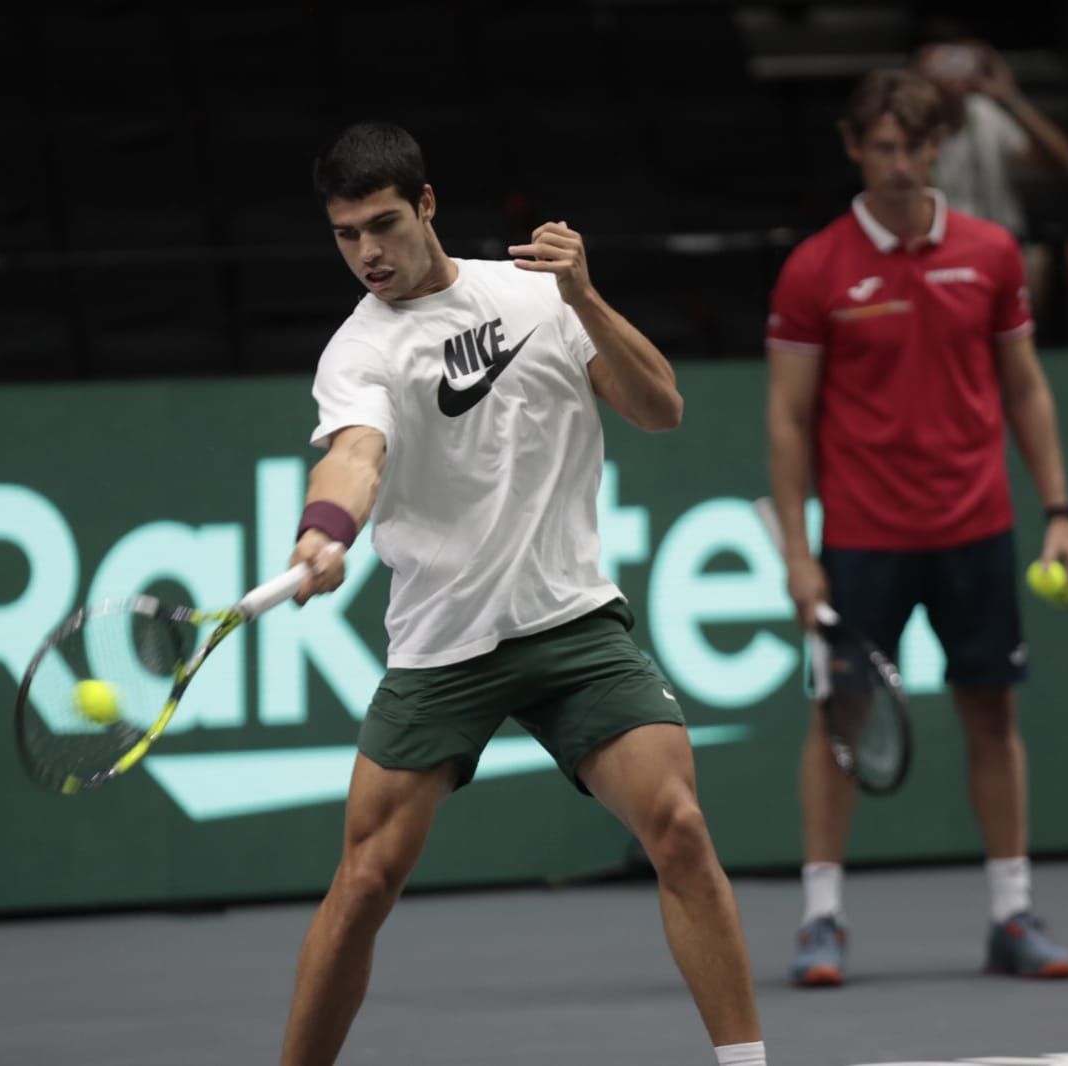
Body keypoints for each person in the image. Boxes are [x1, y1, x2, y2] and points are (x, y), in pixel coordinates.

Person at [279, 122, 767, 1066]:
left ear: (426, 205)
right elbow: (354, 456)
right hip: (443, 645)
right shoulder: (359, 351)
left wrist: (580, 294)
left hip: (568, 624)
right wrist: (324, 532)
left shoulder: (537, 297)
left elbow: (659, 408)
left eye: (382, 224)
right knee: (366, 883)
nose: (367, 253)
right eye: (345, 236)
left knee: (679, 827)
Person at [764, 70, 1068, 987]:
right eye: (881, 148)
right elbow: (787, 420)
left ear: (936, 145)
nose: (899, 165)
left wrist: (1058, 511)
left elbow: (1024, 387)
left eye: (913, 146)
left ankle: (1011, 914)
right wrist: (798, 552)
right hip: (864, 534)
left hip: (974, 524)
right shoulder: (814, 269)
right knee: (841, 720)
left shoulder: (990, 253)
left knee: (992, 712)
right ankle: (821, 921)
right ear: (853, 148)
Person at [916, 35, 1068, 317]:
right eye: (944, 60)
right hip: (938, 251)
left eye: (961, 60)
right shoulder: (910, 128)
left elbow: (1066, 166)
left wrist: (1009, 97)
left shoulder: (987, 115)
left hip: (1006, 247)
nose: (954, 71)